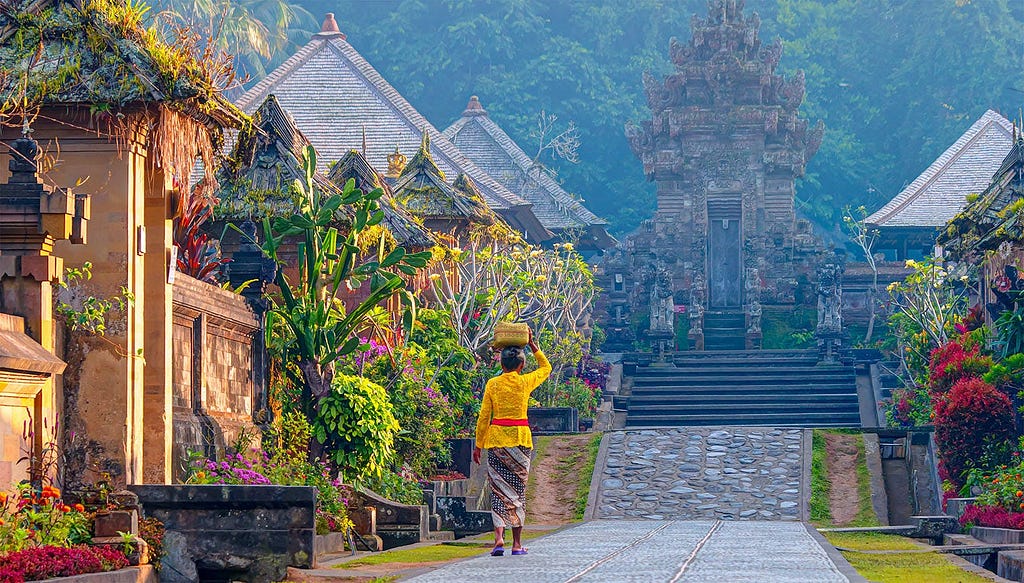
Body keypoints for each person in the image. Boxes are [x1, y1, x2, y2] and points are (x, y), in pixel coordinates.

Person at [473, 330, 551, 557]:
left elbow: (483, 416)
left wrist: (478, 445)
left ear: (502, 363)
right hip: (520, 441)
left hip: (496, 440)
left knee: (497, 491)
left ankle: (498, 538)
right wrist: (534, 345)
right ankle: (517, 544)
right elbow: (546, 368)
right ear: (521, 366)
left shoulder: (493, 384)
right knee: (517, 491)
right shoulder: (525, 382)